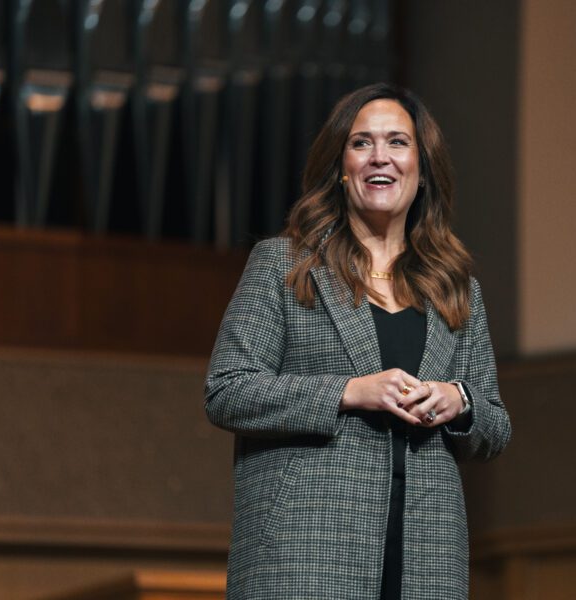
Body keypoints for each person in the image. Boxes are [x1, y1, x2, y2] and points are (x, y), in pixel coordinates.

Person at [205, 82, 511, 600]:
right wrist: (350, 391)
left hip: (425, 554)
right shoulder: (285, 265)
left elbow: (495, 426)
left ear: (422, 168)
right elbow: (227, 391)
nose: (379, 157)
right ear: (340, 168)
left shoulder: (456, 289)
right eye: (361, 143)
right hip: (305, 552)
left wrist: (458, 400)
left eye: (397, 142)